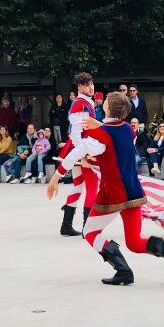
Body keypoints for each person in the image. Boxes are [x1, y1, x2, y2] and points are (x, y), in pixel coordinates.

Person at [46, 91, 164, 287]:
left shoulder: (99, 135)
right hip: (133, 192)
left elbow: (74, 154)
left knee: (90, 232)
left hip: (112, 194)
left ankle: (123, 271)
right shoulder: (128, 129)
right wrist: (98, 133)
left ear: (107, 108)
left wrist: (55, 178)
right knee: (134, 241)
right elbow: (113, 139)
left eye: (104, 102)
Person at [58, 72, 100, 237]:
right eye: (87, 84)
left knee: (79, 185)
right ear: (80, 87)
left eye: (92, 84)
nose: (91, 87)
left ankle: (66, 225)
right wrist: (82, 155)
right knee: (92, 187)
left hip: (81, 148)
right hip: (82, 149)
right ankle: (87, 228)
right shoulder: (80, 104)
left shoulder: (84, 102)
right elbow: (75, 134)